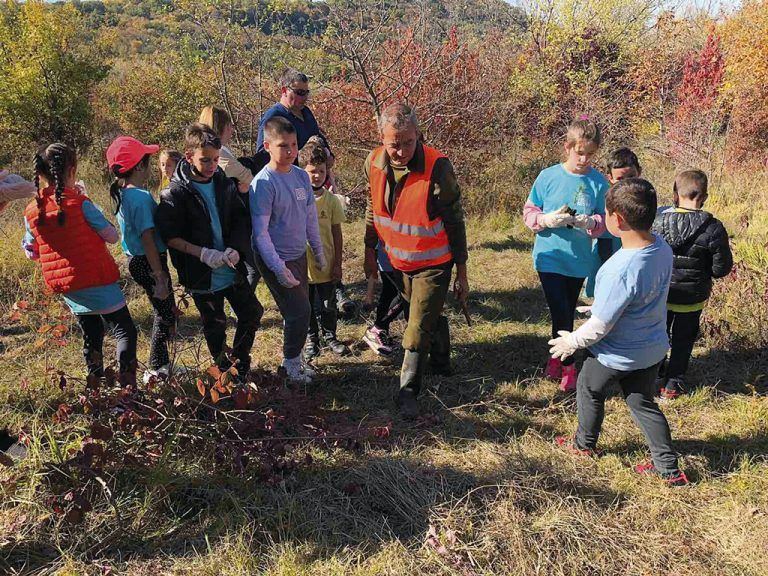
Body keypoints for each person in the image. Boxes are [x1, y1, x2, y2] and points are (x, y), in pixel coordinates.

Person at [550, 177, 688, 486]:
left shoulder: (618, 268)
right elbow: (638, 294)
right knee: (642, 403)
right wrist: (600, 305)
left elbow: (600, 327)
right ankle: (669, 469)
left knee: (588, 387)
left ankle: (583, 444)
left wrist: (571, 341)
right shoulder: (662, 248)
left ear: (618, 220)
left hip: (615, 355)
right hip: (652, 350)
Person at [364, 103, 469, 418]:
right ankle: (441, 362)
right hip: (397, 261)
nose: (400, 151)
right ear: (381, 138)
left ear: (418, 135)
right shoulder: (372, 163)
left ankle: (408, 390)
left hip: (434, 263)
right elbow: (374, 208)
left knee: (417, 323)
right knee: (425, 313)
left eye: (408, 142)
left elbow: (455, 221)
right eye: (393, 143)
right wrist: (370, 251)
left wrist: (462, 271)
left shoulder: (438, 167)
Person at [22, 143, 138, 385]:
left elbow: (31, 252)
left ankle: (94, 387)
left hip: (68, 286)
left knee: (91, 333)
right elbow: (112, 236)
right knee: (124, 330)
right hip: (97, 278)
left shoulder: (32, 210)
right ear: (72, 170)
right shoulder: (80, 203)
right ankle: (128, 390)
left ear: (40, 174)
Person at [156, 123, 262, 379]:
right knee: (215, 325)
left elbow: (239, 218)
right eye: (205, 160)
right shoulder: (175, 193)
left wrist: (236, 248)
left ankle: (239, 363)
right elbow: (170, 236)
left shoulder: (222, 181)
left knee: (252, 312)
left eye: (215, 159)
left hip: (230, 265)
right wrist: (202, 253)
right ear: (188, 156)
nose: (212, 165)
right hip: (202, 272)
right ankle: (222, 372)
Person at [522, 117, 608, 392]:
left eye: (590, 154)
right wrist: (545, 220)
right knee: (560, 310)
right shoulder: (548, 176)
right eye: (579, 152)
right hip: (549, 256)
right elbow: (529, 211)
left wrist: (591, 222)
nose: (584, 159)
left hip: (578, 259)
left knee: (566, 312)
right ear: (567, 147)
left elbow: (607, 221)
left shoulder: (598, 182)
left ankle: (555, 358)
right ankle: (570, 367)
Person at [250, 117, 325, 383]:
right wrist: (278, 268)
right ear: (267, 146)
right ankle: (290, 367)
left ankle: (294, 359)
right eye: (283, 146)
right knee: (300, 311)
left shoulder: (300, 177)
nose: (291, 151)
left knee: (299, 312)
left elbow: (309, 217)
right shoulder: (263, 183)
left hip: (297, 253)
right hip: (274, 256)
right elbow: (260, 233)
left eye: (294, 145)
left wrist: (317, 248)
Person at [652, 170, 732, 399]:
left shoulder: (656, 222)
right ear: (704, 196)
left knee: (659, 334)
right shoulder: (713, 228)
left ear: (675, 194)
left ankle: (654, 374)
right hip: (692, 297)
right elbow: (721, 269)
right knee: (684, 340)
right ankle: (672, 384)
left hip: (662, 294)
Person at [107, 136, 177, 383]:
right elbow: (147, 237)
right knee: (165, 311)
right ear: (138, 167)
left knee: (164, 309)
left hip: (135, 260)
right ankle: (157, 367)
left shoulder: (123, 193)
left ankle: (163, 363)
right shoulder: (140, 197)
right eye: (147, 163)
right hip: (149, 260)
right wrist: (159, 275)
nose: (149, 168)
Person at [198, 105, 262, 290]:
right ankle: (244, 306)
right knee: (252, 266)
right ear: (222, 127)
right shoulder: (221, 154)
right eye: (229, 125)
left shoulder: (217, 152)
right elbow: (248, 177)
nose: (232, 130)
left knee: (246, 265)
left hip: (226, 217)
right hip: (232, 220)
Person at [298, 143, 350, 359]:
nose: (317, 175)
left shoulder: (331, 201)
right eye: (312, 171)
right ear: (303, 171)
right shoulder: (297, 198)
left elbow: (337, 234)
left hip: (327, 266)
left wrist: (338, 263)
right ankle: (312, 340)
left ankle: (331, 336)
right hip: (304, 267)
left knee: (328, 305)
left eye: (322, 171)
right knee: (308, 307)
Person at [585, 147, 642, 297]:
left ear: (639, 172)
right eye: (620, 179)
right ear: (610, 177)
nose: (627, 183)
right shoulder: (606, 197)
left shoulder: (646, 196)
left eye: (631, 176)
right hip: (607, 248)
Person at [253, 68, 327, 172]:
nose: (305, 97)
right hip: (287, 180)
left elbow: (316, 135)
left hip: (313, 180)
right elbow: (263, 156)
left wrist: (329, 154)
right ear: (284, 90)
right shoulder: (273, 116)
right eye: (300, 92)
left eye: (306, 93)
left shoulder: (306, 112)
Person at [362, 241, 405, 356]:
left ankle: (382, 333)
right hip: (390, 257)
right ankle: (377, 329)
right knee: (404, 296)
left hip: (397, 256)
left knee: (388, 293)